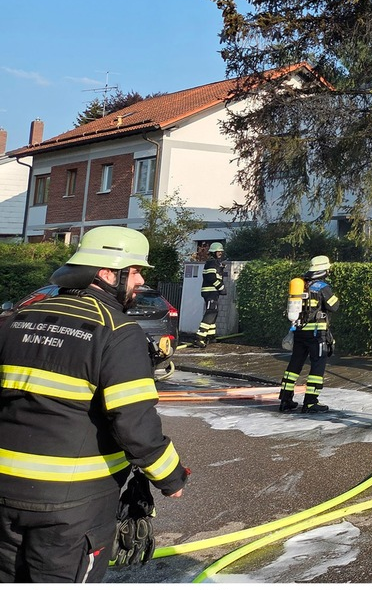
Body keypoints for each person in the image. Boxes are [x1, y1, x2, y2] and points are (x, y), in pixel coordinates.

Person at [0, 226, 187, 582]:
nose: (141, 279)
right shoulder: (117, 332)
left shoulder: (16, 319)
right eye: (134, 271)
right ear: (107, 273)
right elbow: (134, 424)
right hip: (72, 507)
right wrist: (171, 478)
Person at [279, 255, 340, 414]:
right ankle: (311, 402)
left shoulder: (302, 284)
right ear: (323, 270)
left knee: (294, 365)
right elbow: (335, 306)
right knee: (318, 365)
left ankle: (285, 400)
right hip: (316, 334)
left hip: (299, 331)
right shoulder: (322, 287)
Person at [195, 241, 227, 348]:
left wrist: (221, 268)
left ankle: (210, 336)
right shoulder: (211, 263)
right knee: (210, 313)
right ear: (213, 252)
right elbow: (211, 277)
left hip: (213, 292)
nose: (220, 254)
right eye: (218, 252)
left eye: (221, 252)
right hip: (210, 292)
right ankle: (199, 338)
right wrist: (221, 287)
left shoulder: (215, 263)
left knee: (214, 312)